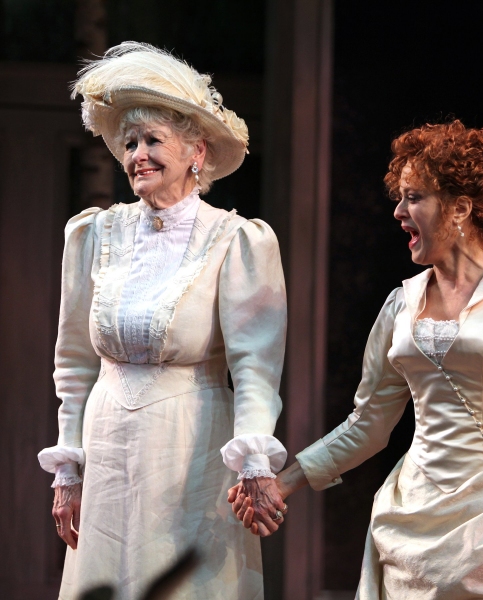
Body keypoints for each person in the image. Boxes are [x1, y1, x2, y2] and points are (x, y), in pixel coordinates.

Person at [230, 120, 483, 599]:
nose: (399, 211)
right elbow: (368, 423)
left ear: (460, 208)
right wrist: (283, 483)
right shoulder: (401, 304)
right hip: (412, 520)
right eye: (400, 197)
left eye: (414, 197)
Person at [37, 42, 288, 600]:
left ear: (197, 152)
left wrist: (254, 459)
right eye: (129, 143)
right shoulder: (92, 236)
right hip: (106, 445)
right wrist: (68, 470)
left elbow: (255, 366)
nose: (137, 156)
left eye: (152, 141)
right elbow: (74, 361)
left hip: (191, 448)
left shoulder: (237, 240)